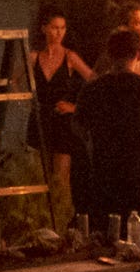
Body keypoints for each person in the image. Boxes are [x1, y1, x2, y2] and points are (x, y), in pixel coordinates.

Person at [72, 27, 140, 227]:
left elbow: (77, 126)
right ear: (139, 54)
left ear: (109, 54)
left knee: (107, 236)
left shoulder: (92, 89)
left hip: (105, 175)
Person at [25, 12, 91, 218]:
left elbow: (94, 80)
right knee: (37, 176)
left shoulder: (70, 57)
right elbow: (15, 81)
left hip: (63, 123)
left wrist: (75, 107)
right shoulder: (34, 57)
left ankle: (62, 221)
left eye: (62, 28)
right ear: (44, 28)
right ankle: (40, 219)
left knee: (61, 178)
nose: (59, 32)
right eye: (54, 27)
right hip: (40, 120)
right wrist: (27, 102)